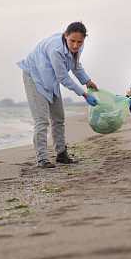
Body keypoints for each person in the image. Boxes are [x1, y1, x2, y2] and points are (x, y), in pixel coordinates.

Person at [17, 22, 99, 168]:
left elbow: (76, 65)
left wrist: (87, 81)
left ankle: (61, 154)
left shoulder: (78, 47)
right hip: (34, 76)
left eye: (79, 42)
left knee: (59, 118)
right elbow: (64, 78)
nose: (75, 45)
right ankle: (42, 158)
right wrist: (85, 95)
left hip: (51, 78)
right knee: (41, 120)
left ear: (83, 40)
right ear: (65, 36)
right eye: (72, 41)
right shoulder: (55, 49)